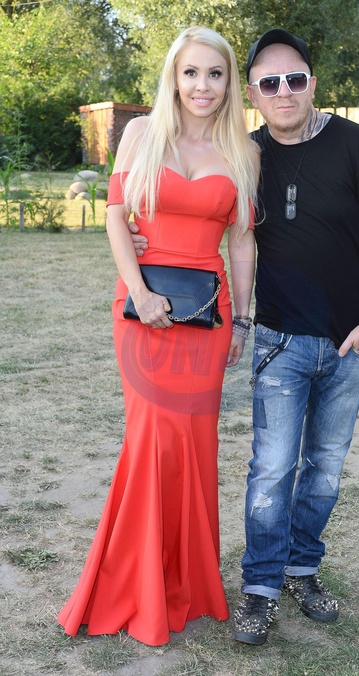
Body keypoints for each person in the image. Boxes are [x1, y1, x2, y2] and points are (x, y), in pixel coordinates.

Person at [128, 28, 359, 646]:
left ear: (312, 83)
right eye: (269, 82)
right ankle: (260, 588)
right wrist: (142, 239)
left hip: (348, 343)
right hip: (280, 340)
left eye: (294, 79)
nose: (284, 91)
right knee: (272, 470)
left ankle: (303, 570)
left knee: (325, 469)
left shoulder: (354, 144)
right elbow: (212, 222)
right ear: (251, 93)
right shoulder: (243, 152)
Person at [57, 26, 258, 647]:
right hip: (140, 312)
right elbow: (117, 216)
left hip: (207, 319)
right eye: (191, 72)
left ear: (229, 83)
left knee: (194, 445)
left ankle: (185, 583)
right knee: (150, 441)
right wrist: (141, 293)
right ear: (174, 76)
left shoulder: (243, 150)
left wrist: (243, 318)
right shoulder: (142, 133)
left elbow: (242, 241)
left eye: (215, 74)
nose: (203, 85)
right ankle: (133, 584)